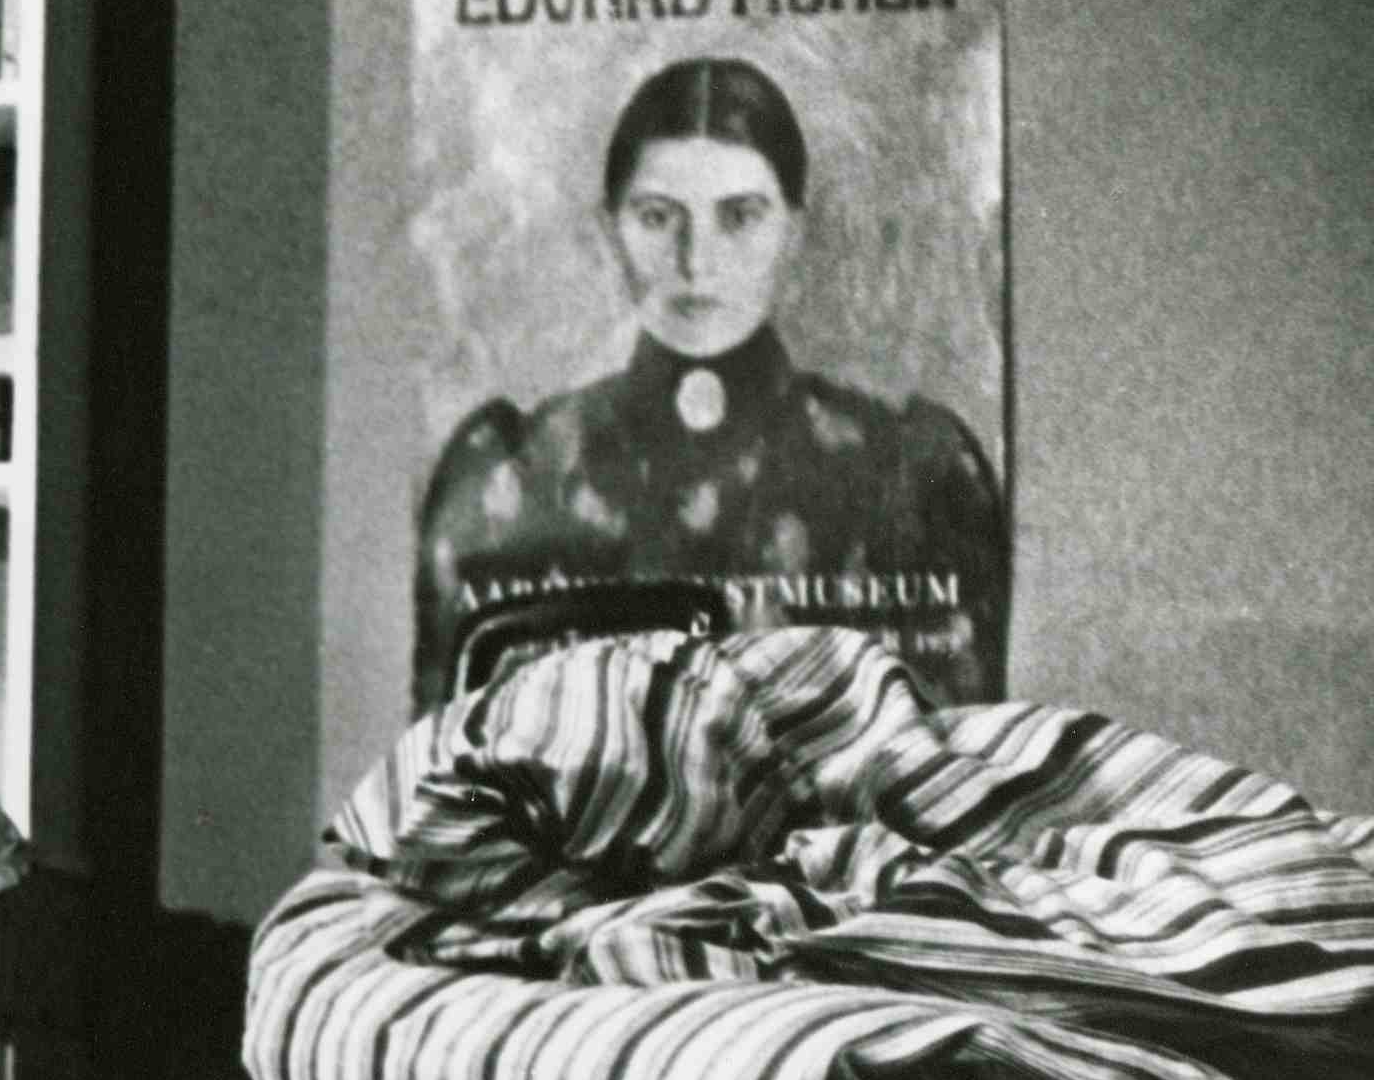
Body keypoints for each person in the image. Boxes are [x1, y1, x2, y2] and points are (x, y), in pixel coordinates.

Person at [412, 53, 1009, 713]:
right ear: (609, 230)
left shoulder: (908, 475)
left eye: (740, 216)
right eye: (658, 217)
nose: (696, 261)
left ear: (795, 232)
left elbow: (946, 757)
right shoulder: (514, 477)